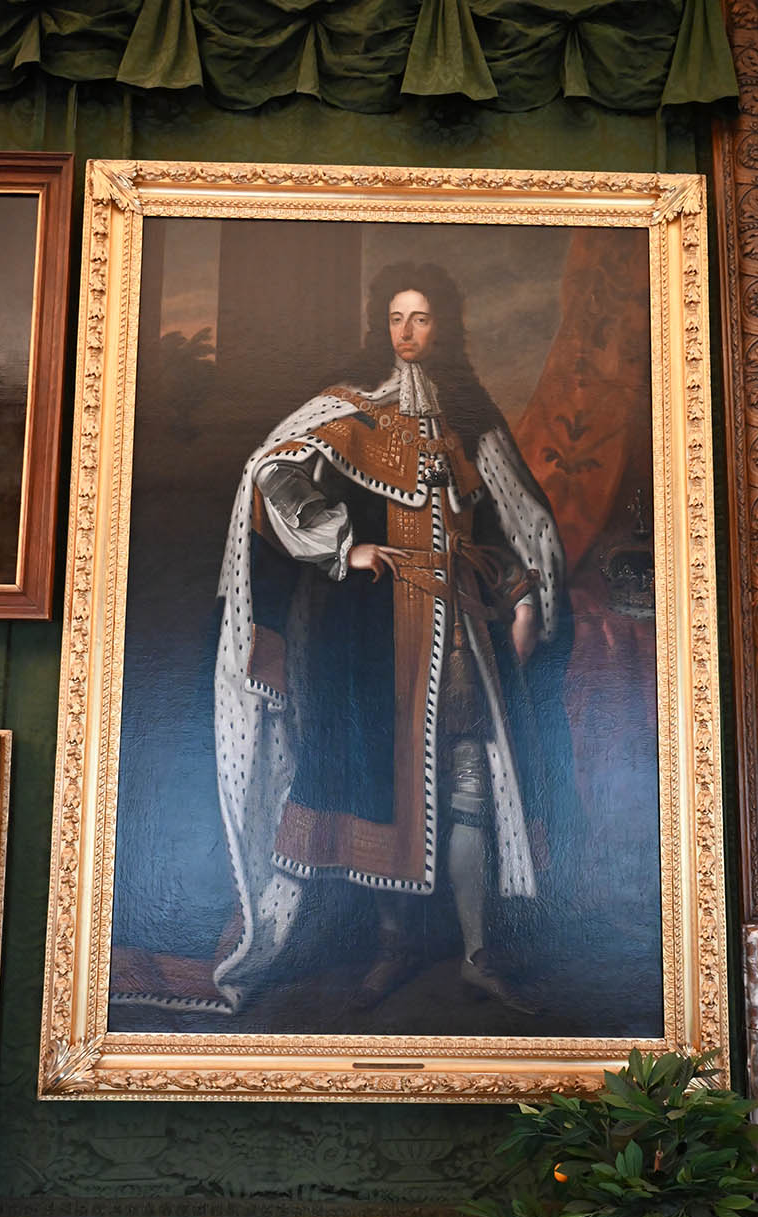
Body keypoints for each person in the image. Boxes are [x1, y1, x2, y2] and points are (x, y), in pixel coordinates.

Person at [213, 262, 565, 1016]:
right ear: (384, 325)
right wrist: (345, 546)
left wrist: (524, 595)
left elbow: (514, 521)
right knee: (382, 784)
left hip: (465, 633)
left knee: (468, 781)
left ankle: (476, 953)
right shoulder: (352, 410)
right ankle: (393, 945)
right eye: (397, 318)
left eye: (422, 318)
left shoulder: (469, 418)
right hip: (373, 635)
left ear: (443, 326)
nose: (408, 332)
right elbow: (269, 473)